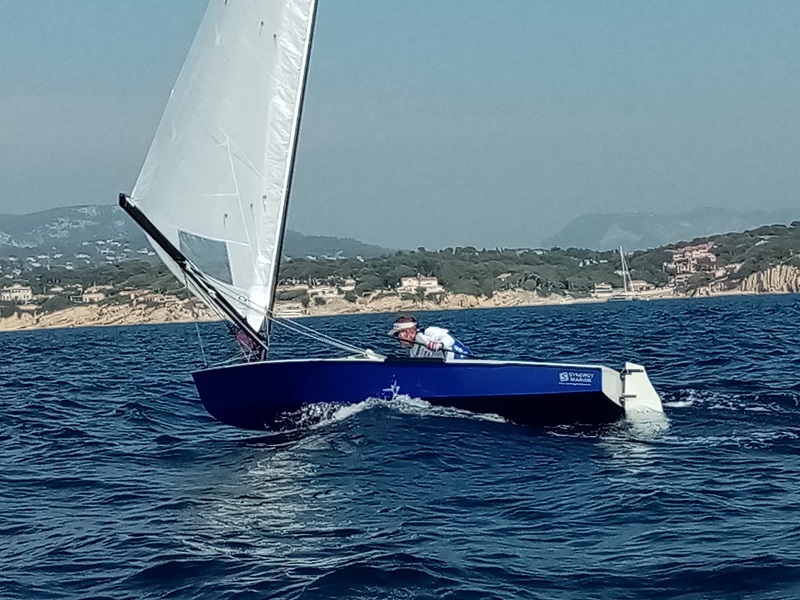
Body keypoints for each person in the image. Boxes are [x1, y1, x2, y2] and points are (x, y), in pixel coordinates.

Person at [388, 315, 470, 360]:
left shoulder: (429, 332)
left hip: (462, 361)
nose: (397, 338)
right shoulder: (413, 353)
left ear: (406, 332)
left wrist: (439, 344)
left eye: (397, 334)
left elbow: (450, 339)